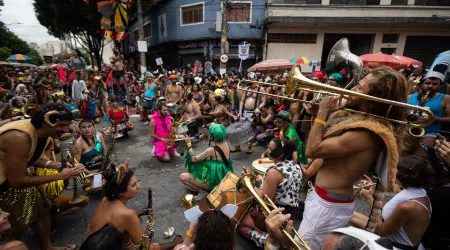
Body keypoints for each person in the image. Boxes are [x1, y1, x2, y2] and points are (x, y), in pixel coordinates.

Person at [298, 66, 408, 249]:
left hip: (327, 206)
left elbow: (313, 149)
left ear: (371, 102)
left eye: (359, 87)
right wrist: (317, 115)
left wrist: (323, 113)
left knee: (303, 246)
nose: (352, 88)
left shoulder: (366, 133)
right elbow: (320, 141)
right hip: (326, 201)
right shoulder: (358, 121)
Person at [0, 103, 85, 250]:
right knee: (11, 227)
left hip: (14, 181)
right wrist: (60, 176)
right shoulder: (20, 137)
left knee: (43, 208)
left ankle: (47, 247)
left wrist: (57, 166)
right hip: (4, 188)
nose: (66, 130)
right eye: (63, 125)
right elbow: (17, 181)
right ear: (48, 121)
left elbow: (31, 155)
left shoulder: (43, 132)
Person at [86, 160, 182, 250]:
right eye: (134, 185)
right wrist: (173, 244)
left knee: (138, 221)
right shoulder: (128, 214)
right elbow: (145, 247)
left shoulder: (105, 199)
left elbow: (116, 220)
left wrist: (140, 213)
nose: (139, 186)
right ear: (121, 193)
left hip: (90, 244)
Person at [352, 156, 433, 250]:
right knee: (348, 213)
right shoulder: (421, 194)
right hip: (396, 239)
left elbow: (382, 231)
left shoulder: (408, 207)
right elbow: (398, 190)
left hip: (394, 246)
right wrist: (375, 189)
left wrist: (371, 199)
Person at [238, 137, 302, 247]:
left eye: (270, 148)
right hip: (290, 214)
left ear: (281, 154)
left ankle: (267, 240)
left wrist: (252, 185)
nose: (267, 151)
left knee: (240, 223)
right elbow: (283, 185)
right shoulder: (296, 165)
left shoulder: (274, 172)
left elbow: (264, 202)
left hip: (275, 215)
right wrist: (262, 179)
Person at [180, 123, 233, 192]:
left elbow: (194, 159)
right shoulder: (226, 145)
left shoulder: (212, 150)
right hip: (224, 180)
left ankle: (202, 192)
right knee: (199, 169)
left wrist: (189, 145)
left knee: (183, 177)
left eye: (210, 133)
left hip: (215, 184)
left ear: (212, 136)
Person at [408, 62, 450, 147]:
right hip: (407, 132)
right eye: (427, 83)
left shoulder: (446, 98)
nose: (430, 86)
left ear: (439, 86)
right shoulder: (409, 97)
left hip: (429, 135)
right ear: (422, 84)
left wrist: (433, 119)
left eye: (435, 84)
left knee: (420, 158)